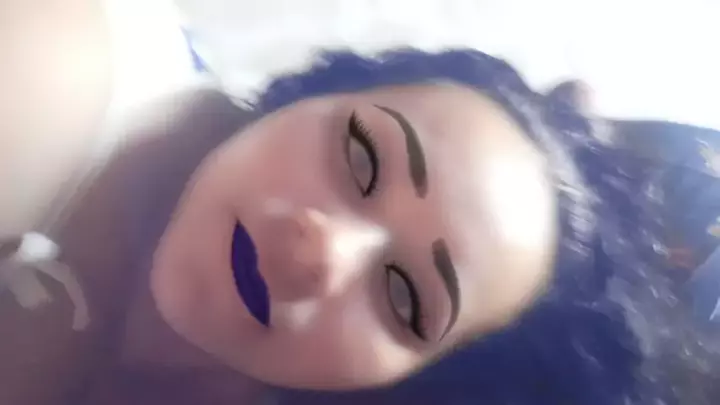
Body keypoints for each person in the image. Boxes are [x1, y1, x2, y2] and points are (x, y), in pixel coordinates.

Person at [146, 49, 719, 405]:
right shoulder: (109, 67)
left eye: (405, 299)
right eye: (363, 158)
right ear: (304, 97)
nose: (328, 252)